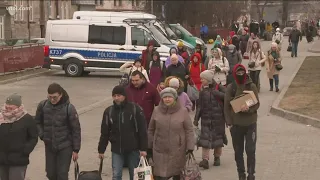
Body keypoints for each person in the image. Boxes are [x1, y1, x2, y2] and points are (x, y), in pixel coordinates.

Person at [98, 85, 148, 180]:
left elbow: (142, 130)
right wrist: (101, 149)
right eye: (114, 96)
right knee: (116, 175)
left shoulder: (135, 109)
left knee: (134, 175)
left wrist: (143, 148)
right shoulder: (109, 111)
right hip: (117, 149)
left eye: (119, 95)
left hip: (133, 149)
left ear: (124, 96)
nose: (116, 98)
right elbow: (105, 132)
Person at [35, 83, 81, 180]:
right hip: (50, 145)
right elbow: (37, 122)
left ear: (61, 95)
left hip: (65, 146)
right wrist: (42, 135)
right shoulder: (43, 105)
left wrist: (76, 149)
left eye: (55, 97)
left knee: (62, 174)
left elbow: (76, 129)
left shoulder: (69, 108)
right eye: (50, 97)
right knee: (50, 174)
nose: (52, 100)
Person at [148, 87, 195, 180]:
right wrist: (149, 146)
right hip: (159, 149)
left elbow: (189, 130)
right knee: (160, 175)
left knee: (176, 173)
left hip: (177, 149)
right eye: (165, 97)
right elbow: (151, 129)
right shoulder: (157, 110)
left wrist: (190, 147)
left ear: (175, 98)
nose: (167, 99)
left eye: (169, 97)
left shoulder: (183, 111)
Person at [224, 64, 260, 180]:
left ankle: (251, 174)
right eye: (238, 73)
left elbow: (257, 103)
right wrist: (229, 122)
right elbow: (226, 106)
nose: (240, 75)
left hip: (250, 123)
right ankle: (241, 174)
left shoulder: (251, 85)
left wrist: (249, 109)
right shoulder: (231, 87)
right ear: (235, 74)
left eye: (242, 72)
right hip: (236, 124)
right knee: (238, 152)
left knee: (250, 150)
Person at [0, 93, 38, 180]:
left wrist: (25, 150)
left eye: (11, 108)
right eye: (7, 107)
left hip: (18, 159)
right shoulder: (1, 117)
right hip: (2, 159)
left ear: (18, 107)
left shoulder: (27, 119)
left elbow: (33, 137)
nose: (8, 110)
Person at [194, 70, 226, 169]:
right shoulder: (202, 90)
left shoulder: (219, 87)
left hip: (218, 118)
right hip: (206, 118)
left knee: (218, 140)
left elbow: (227, 97)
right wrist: (196, 119)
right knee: (205, 140)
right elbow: (199, 106)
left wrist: (216, 93)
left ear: (208, 79)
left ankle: (217, 157)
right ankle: (205, 160)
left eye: (202, 78)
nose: (201, 80)